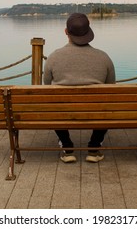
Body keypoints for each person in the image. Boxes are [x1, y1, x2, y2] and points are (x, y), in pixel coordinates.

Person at [43, 13, 116, 163]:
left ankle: (67, 147)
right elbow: (111, 88)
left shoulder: (53, 57)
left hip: (63, 112)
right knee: (107, 104)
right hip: (96, 111)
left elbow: (46, 87)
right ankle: (94, 148)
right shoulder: (104, 57)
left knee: (53, 103)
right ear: (89, 31)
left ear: (66, 32)